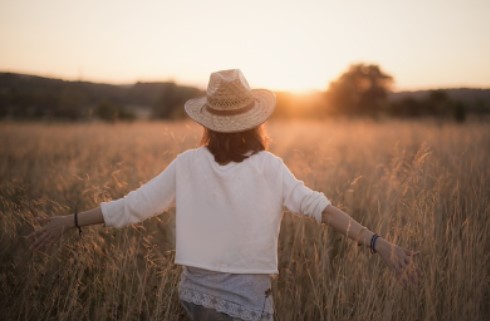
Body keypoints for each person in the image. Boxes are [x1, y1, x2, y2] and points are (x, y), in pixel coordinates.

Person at [27, 69, 419, 321]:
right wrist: (377, 243)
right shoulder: (271, 167)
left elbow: (132, 207)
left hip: (195, 299)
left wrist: (70, 221)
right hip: (248, 304)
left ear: (210, 123)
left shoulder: (187, 163)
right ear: (254, 121)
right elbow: (323, 210)